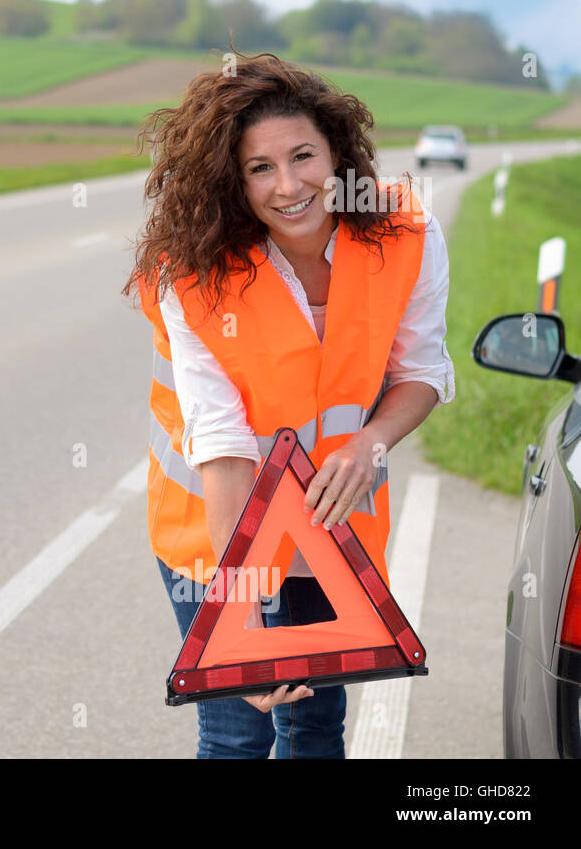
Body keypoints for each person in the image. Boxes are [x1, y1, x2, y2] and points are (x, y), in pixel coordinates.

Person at [123, 52, 456, 759]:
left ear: (338, 152)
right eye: (259, 169)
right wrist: (238, 616)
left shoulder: (406, 234)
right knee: (238, 729)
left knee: (312, 723)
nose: (289, 185)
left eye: (303, 155)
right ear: (232, 183)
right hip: (213, 527)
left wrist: (371, 442)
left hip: (331, 527)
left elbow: (422, 371)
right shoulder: (193, 272)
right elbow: (221, 440)